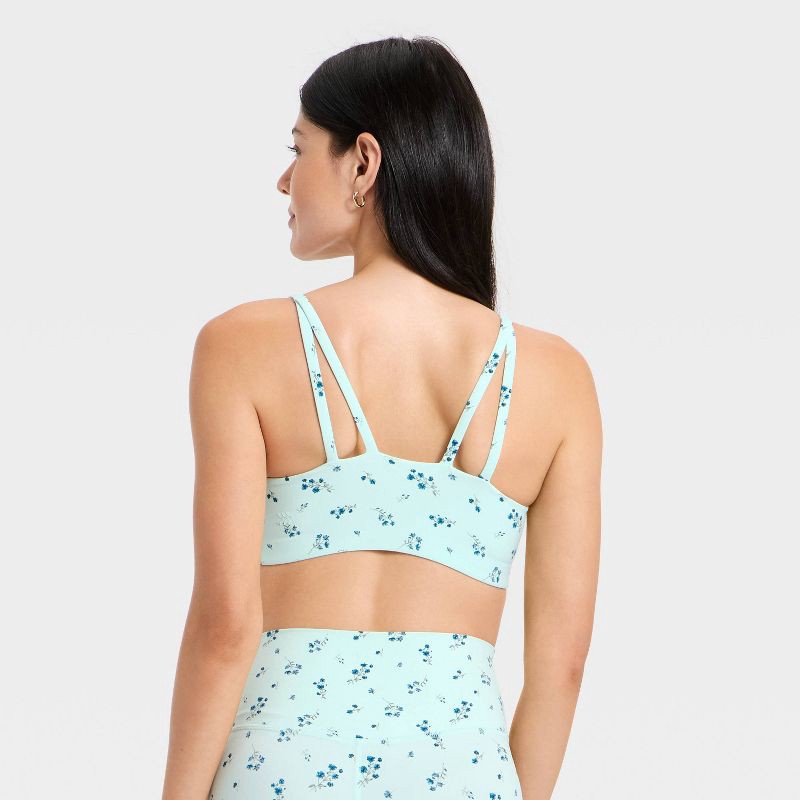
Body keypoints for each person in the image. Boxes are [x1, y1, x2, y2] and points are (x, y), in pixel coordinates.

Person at [162, 35, 602, 800]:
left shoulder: (241, 346)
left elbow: (225, 627)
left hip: (279, 767)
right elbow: (561, 664)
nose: (283, 179)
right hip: (461, 771)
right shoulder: (557, 377)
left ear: (363, 162)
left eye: (298, 148)